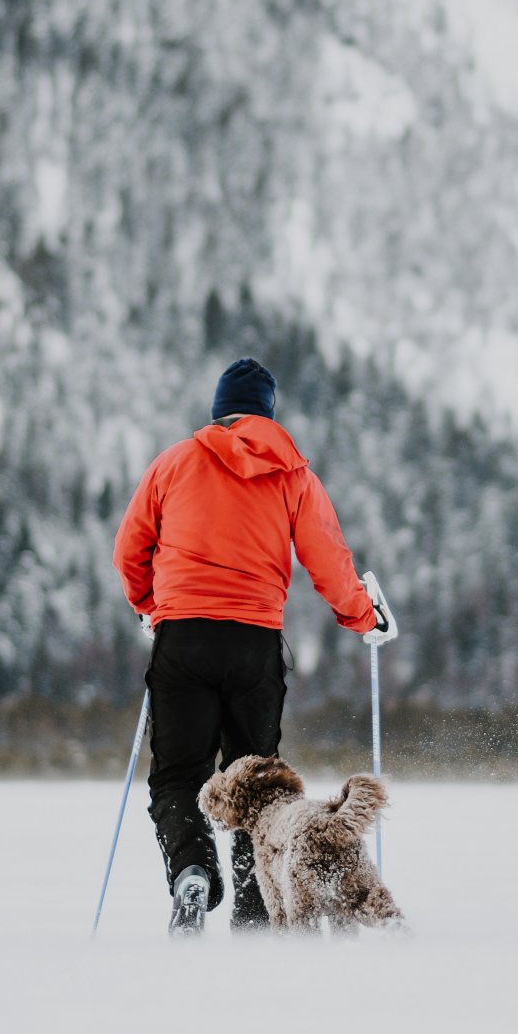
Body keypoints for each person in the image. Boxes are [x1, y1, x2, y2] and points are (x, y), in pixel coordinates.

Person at [112, 356, 398, 936]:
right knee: (260, 788)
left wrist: (150, 607)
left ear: (219, 411)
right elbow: (329, 563)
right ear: (269, 414)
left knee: (176, 776)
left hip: (183, 637)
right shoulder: (292, 474)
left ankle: (191, 870)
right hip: (253, 644)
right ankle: (255, 912)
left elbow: (129, 550)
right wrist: (365, 616)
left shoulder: (173, 463)